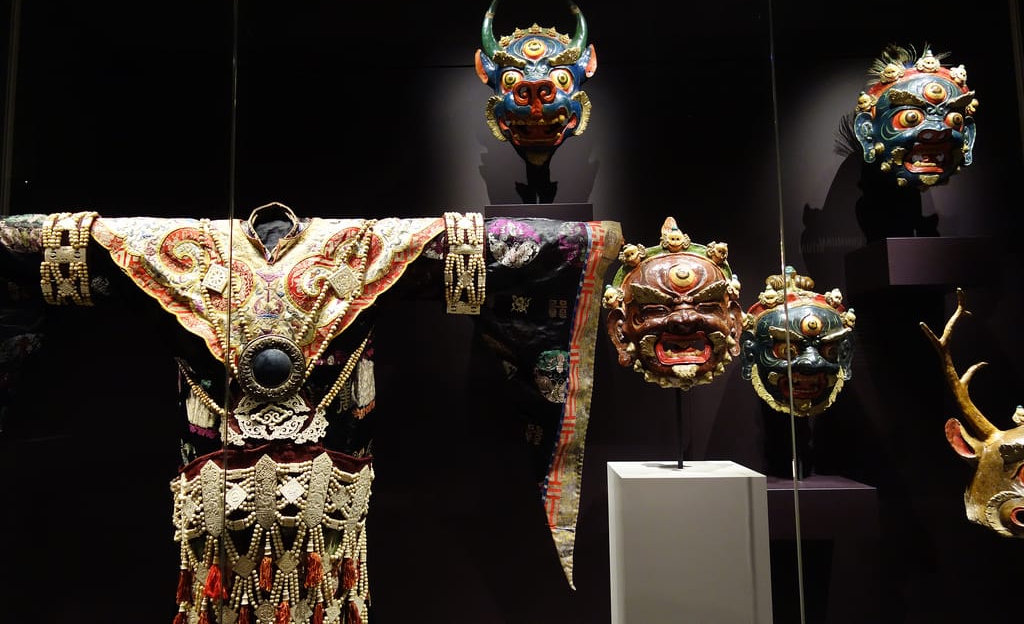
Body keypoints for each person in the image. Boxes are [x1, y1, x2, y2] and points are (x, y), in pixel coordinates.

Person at [0, 203, 621, 623]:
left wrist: (614, 252)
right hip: (218, 495)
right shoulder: (170, 250)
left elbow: (504, 253)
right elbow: (45, 251)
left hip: (328, 493)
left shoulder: (368, 250)